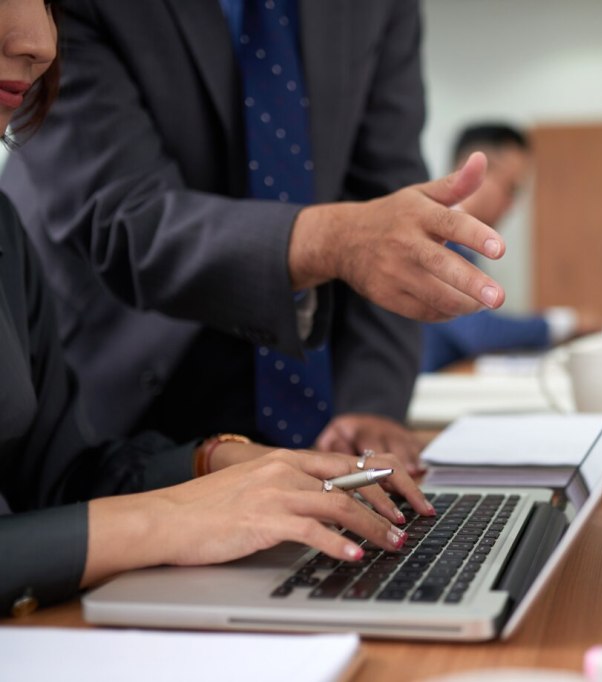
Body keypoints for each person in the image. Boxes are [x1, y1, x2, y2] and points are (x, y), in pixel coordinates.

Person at [0, 0, 435, 618]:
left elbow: (59, 481)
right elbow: (127, 215)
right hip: (134, 385)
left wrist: (224, 461)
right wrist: (168, 518)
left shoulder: (3, 230)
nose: (45, 43)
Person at [0, 0, 505, 473]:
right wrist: (338, 241)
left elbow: (391, 199)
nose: (38, 45)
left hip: (315, 417)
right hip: (123, 403)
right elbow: (122, 216)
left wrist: (372, 405)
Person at [421, 123, 602, 372]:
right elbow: (480, 332)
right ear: (470, 173)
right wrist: (564, 322)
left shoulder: (458, 245)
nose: (512, 205)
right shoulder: (435, 240)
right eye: (511, 188)